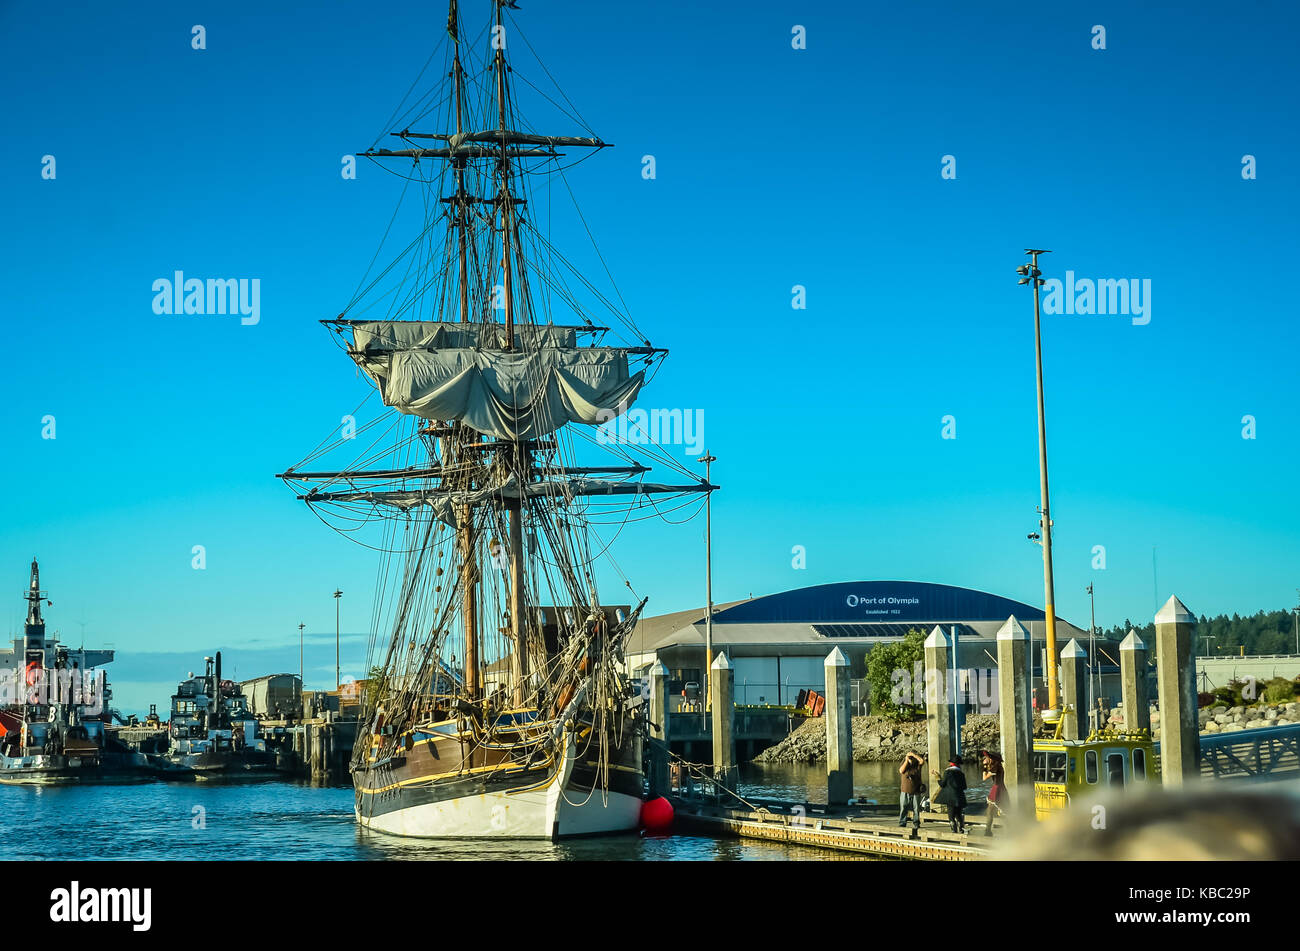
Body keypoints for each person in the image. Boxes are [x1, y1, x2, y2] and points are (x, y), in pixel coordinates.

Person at [932, 755, 968, 834]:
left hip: (950, 798)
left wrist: (937, 777)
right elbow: (964, 787)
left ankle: (954, 832)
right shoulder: (961, 773)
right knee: (958, 815)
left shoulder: (947, 772)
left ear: (951, 763)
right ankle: (961, 830)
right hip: (959, 797)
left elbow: (942, 784)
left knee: (951, 816)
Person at [980, 749, 1006, 837]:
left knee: (990, 811)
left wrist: (984, 767)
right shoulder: (999, 765)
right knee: (1003, 809)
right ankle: (1010, 830)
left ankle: (988, 831)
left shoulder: (996, 766)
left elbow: (984, 778)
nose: (985, 758)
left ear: (992, 759)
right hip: (1001, 788)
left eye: (987, 757)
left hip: (996, 789)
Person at [898, 750, 924, 830]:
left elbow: (922, 761)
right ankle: (902, 822)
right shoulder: (905, 763)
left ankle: (916, 823)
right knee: (903, 807)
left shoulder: (917, 765)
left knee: (916, 808)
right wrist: (907, 759)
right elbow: (901, 770)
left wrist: (914, 755)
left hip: (916, 789)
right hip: (905, 789)